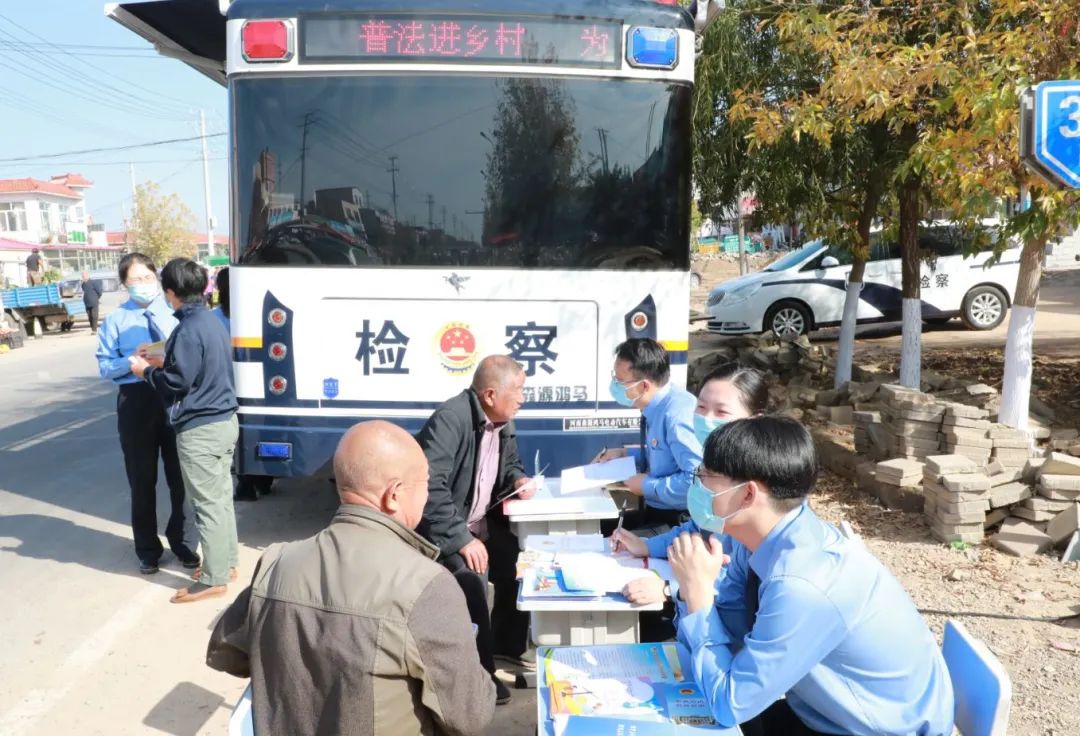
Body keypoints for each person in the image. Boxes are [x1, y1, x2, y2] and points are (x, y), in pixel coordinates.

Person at [668, 416, 955, 735]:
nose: (697, 484)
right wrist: (694, 593)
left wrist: (697, 597)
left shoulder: (802, 582)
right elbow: (732, 631)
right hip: (821, 712)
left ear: (747, 494)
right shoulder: (757, 541)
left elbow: (729, 703)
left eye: (705, 476)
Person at [206, 421, 495, 736]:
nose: (428, 494)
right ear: (394, 494)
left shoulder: (277, 563)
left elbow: (225, 652)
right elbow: (471, 716)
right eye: (424, 483)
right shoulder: (427, 586)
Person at [415, 355, 536, 706]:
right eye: (518, 390)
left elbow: (509, 463)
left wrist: (517, 478)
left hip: (483, 523)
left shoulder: (503, 419)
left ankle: (506, 645)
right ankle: (481, 673)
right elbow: (429, 486)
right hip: (443, 530)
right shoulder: (450, 420)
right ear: (489, 394)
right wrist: (461, 539)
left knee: (522, 562)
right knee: (474, 576)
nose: (522, 398)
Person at [612, 363, 769, 613]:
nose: (706, 420)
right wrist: (646, 546)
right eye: (702, 407)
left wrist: (669, 589)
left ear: (754, 421)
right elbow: (698, 529)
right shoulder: (714, 460)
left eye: (721, 412)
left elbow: (742, 578)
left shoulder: (759, 485)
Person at [129, 258, 239, 603]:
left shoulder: (189, 329)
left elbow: (176, 382)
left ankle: (213, 578)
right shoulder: (209, 320)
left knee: (207, 503)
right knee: (220, 500)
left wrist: (145, 370)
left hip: (202, 428)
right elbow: (195, 367)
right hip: (223, 421)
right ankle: (226, 563)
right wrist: (165, 359)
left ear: (171, 293)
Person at [95, 253, 198, 575]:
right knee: (142, 479)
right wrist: (129, 361)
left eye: (146, 278)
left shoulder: (174, 311)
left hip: (171, 394)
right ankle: (147, 549)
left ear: (157, 277)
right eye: (133, 280)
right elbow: (104, 366)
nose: (141, 285)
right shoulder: (115, 320)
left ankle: (182, 542)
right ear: (124, 284)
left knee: (180, 476)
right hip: (135, 400)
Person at [595, 338, 703, 526]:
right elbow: (665, 454)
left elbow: (696, 481)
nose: (615, 385)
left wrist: (647, 486)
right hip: (655, 509)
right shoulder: (657, 405)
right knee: (600, 527)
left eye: (620, 381)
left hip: (678, 519)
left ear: (644, 386)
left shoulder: (677, 415)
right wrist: (625, 454)